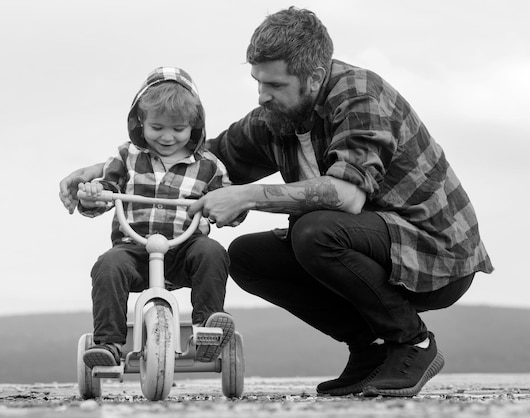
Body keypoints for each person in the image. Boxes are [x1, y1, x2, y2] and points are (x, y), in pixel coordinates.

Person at [60, 8, 493, 397]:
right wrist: (102, 171)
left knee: (315, 230)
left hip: (434, 255)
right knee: (248, 257)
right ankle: (371, 349)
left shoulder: (361, 97)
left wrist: (246, 195)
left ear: (316, 74)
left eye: (273, 84)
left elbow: (346, 195)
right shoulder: (279, 116)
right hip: (374, 246)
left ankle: (412, 342)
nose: (262, 95)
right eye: (258, 82)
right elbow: (202, 157)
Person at [75, 67, 238, 368]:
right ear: (141, 121)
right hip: (135, 248)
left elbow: (227, 204)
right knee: (108, 266)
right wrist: (92, 196)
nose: (167, 137)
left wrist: (232, 209)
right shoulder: (126, 157)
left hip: (185, 248)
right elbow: (108, 190)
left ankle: (207, 328)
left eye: (178, 129)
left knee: (212, 252)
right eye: (157, 127)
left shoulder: (209, 165)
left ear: (194, 124)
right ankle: (109, 343)